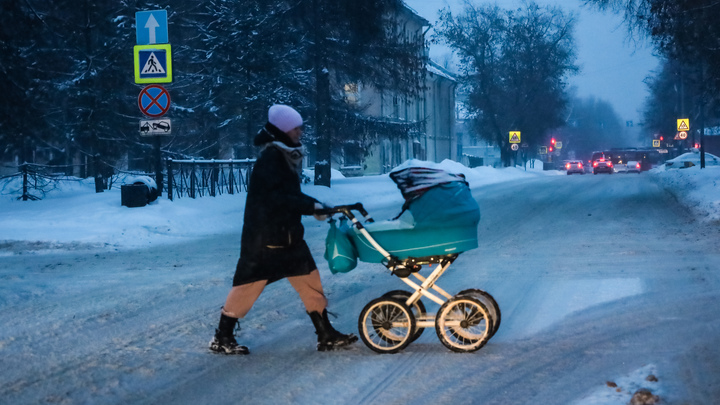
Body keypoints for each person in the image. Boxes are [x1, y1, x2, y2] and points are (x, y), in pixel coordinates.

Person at [209, 104, 357, 354]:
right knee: (248, 286)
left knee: (311, 282)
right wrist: (312, 206)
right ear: (283, 130)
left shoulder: (284, 155)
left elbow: (290, 194)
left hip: (288, 238)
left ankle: (326, 334)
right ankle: (222, 337)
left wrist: (316, 205)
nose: (300, 132)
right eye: (295, 128)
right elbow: (279, 198)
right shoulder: (271, 159)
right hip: (267, 239)